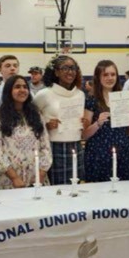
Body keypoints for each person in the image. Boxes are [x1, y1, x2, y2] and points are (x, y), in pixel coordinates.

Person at [33, 55, 87, 185]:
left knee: (77, 187)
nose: (70, 72)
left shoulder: (80, 95)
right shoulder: (44, 94)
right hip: (54, 147)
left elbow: (82, 125)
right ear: (56, 72)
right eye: (65, 68)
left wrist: (84, 122)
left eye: (73, 68)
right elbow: (30, 122)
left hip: (76, 145)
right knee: (57, 190)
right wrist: (45, 125)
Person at [0, 75, 52, 188]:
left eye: (25, 87)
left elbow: (46, 146)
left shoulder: (36, 115)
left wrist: (41, 173)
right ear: (9, 91)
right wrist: (14, 177)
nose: (22, 90)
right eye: (17, 87)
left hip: (36, 177)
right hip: (9, 179)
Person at [83, 60, 129, 182]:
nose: (110, 78)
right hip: (98, 153)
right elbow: (84, 134)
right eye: (105, 75)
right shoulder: (91, 100)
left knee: (123, 193)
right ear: (98, 77)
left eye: (113, 74)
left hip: (122, 152)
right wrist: (97, 123)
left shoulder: (124, 98)